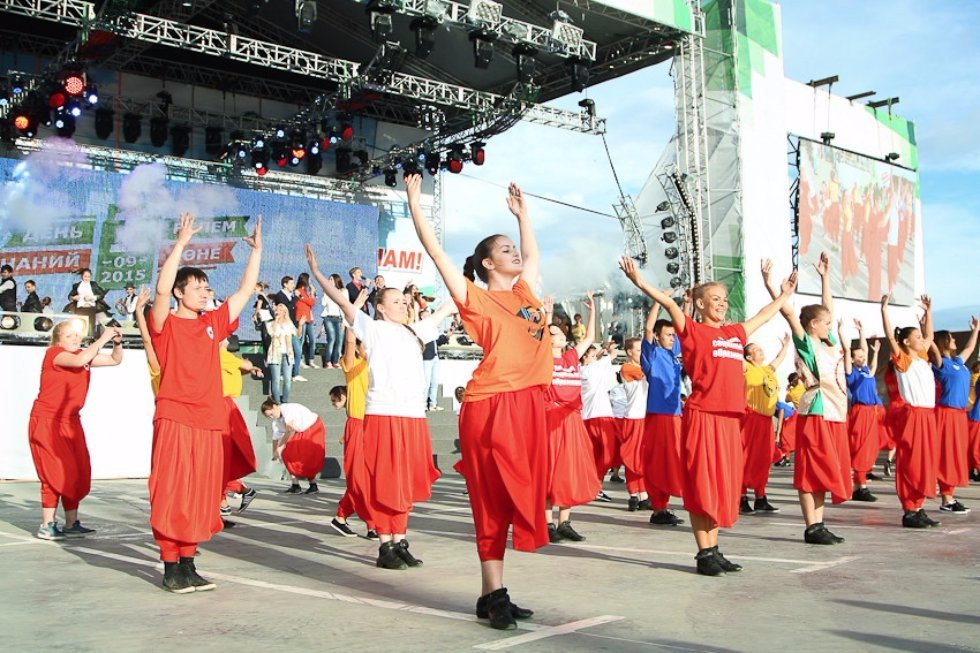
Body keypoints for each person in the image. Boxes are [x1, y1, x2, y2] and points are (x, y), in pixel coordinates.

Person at [407, 174, 549, 629]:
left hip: (529, 403)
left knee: (517, 499)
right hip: (493, 405)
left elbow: (533, 256)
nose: (514, 253)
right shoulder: (476, 299)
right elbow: (436, 254)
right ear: (488, 264)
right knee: (492, 500)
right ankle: (496, 593)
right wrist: (415, 205)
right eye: (504, 249)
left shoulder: (526, 293)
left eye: (513, 248)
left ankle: (491, 594)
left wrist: (523, 216)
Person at [621, 255, 796, 575]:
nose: (721, 304)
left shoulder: (734, 333)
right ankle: (704, 553)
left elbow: (763, 316)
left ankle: (714, 548)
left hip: (731, 420)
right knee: (702, 486)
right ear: (699, 304)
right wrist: (642, 284)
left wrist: (783, 294)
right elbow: (670, 306)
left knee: (722, 487)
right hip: (704, 417)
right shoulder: (693, 332)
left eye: (724, 300)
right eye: (714, 299)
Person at [307, 243, 453, 572]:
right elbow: (343, 302)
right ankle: (385, 544)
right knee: (387, 481)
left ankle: (401, 539)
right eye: (396, 301)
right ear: (382, 308)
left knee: (406, 481)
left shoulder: (418, 330)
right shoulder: (371, 329)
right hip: (383, 413)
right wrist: (318, 274)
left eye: (405, 300)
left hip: (413, 416)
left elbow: (450, 306)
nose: (403, 304)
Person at [146, 212, 262, 594]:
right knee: (173, 489)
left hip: (210, 420)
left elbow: (244, 293)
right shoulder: (165, 323)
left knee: (201, 493)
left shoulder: (212, 324)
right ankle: (170, 564)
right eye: (196, 286)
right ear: (181, 292)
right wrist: (180, 244)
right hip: (176, 415)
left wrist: (257, 253)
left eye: (207, 286)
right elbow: (161, 292)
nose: (204, 291)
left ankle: (189, 562)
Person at [763, 253, 851, 545]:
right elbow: (789, 314)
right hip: (816, 412)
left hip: (835, 413)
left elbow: (830, 309)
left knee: (826, 471)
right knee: (812, 469)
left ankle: (819, 524)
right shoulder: (807, 343)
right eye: (825, 322)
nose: (830, 325)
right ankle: (811, 526)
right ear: (813, 325)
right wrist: (772, 287)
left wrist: (826, 277)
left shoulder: (830, 344)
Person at [29, 320, 122, 540]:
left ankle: (72, 523)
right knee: (55, 472)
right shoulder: (55, 354)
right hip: (48, 420)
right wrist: (103, 338)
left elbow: (114, 360)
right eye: (69, 335)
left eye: (76, 335)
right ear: (58, 338)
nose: (75, 338)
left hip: (71, 421)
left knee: (79, 470)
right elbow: (79, 359)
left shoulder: (84, 355)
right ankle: (47, 524)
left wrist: (117, 343)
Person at [543, 292, 601, 542]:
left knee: (569, 471)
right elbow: (537, 337)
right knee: (549, 472)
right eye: (553, 333)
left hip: (572, 420)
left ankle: (564, 522)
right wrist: (546, 316)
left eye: (560, 331)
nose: (559, 334)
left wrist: (592, 310)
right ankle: (546, 524)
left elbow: (589, 337)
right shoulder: (541, 358)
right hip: (550, 421)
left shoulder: (570, 357)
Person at [881, 293, 942, 528]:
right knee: (911, 461)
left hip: (928, 415)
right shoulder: (903, 360)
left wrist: (928, 312)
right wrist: (884, 311)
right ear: (906, 342)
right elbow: (890, 336)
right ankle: (909, 509)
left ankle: (919, 506)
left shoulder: (923, 358)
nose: (921, 338)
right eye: (916, 336)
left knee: (925, 460)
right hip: (913, 415)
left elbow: (930, 336)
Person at [329, 290, 377, 538]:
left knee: (372, 477)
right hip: (357, 425)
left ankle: (342, 516)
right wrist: (353, 311)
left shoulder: (377, 365)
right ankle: (371, 524)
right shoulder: (353, 366)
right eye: (363, 341)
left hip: (375, 425)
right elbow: (349, 342)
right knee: (361, 477)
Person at [639, 297, 686, 526]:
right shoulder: (651, 354)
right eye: (668, 335)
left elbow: (683, 327)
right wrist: (659, 301)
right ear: (658, 336)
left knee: (673, 461)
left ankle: (663, 507)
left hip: (676, 414)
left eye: (672, 335)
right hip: (658, 415)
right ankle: (658, 508)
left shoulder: (674, 353)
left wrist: (685, 305)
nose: (672, 338)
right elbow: (648, 327)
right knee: (659, 462)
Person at [929, 319, 979, 514]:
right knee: (947, 454)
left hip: (959, 415)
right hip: (946, 414)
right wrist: (927, 318)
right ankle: (946, 498)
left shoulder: (958, 363)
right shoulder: (942, 364)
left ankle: (949, 496)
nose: (954, 339)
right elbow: (931, 344)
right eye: (950, 338)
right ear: (944, 342)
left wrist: (976, 330)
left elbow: (969, 347)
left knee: (957, 454)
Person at [739, 334, 791, 515]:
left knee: (763, 460)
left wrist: (785, 345)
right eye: (756, 350)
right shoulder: (746, 368)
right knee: (747, 458)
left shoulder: (767, 371)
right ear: (748, 357)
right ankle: (741, 497)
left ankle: (761, 497)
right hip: (750, 418)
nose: (761, 351)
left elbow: (779, 359)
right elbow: (735, 356)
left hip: (766, 421)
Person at [219, 335, 262, 515]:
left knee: (220, 455)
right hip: (221, 406)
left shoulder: (221, 355)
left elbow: (242, 367)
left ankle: (222, 503)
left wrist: (249, 368)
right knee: (220, 456)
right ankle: (235, 495)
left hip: (222, 406)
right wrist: (250, 367)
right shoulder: (219, 354)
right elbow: (244, 365)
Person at [846, 320, 885, 502]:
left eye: (863, 356)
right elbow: (850, 353)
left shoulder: (866, 371)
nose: (862, 358)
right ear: (852, 359)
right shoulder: (851, 372)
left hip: (871, 411)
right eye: (859, 357)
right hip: (859, 411)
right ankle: (860, 486)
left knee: (869, 447)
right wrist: (845, 343)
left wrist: (862, 332)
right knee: (860, 447)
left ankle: (859, 485)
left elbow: (868, 355)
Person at [579, 341, 618, 502]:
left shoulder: (585, 369)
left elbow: (600, 361)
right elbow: (604, 362)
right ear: (584, 357)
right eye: (592, 356)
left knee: (596, 456)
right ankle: (595, 486)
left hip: (591, 417)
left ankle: (593, 486)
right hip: (598, 417)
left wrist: (602, 352)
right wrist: (608, 353)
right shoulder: (587, 371)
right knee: (607, 455)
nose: (595, 358)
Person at [263, 398, 326, 494]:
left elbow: (289, 430)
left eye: (271, 414)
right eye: (269, 416)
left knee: (307, 457)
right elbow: (275, 437)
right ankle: (295, 484)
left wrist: (280, 448)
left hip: (312, 428)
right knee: (287, 454)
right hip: (300, 431)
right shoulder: (276, 421)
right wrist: (275, 453)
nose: (272, 417)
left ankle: (313, 484)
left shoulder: (287, 409)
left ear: (275, 407)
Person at [618, 336, 650, 512]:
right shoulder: (627, 367)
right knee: (632, 458)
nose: (642, 353)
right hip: (633, 418)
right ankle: (633, 493)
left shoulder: (640, 367)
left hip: (644, 417)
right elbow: (647, 374)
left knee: (643, 459)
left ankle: (643, 494)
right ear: (630, 352)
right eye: (639, 350)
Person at [273, 276, 306, 383]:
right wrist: (296, 298)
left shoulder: (291, 296)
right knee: (284, 350)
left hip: (292, 325)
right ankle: (282, 373)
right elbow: (288, 307)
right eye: (291, 283)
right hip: (283, 327)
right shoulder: (280, 296)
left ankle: (295, 373)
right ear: (285, 284)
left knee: (298, 350)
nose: (293, 285)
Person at [266, 304, 296, 403]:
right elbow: (272, 333)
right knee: (276, 380)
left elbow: (297, 334)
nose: (278, 311)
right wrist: (276, 320)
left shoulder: (289, 324)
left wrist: (300, 325)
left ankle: (285, 400)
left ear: (284, 312)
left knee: (287, 380)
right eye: (277, 309)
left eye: (280, 310)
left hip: (287, 354)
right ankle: (277, 402)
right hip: (275, 354)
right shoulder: (270, 323)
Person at [68, 268, 108, 336]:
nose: (87, 278)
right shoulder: (77, 285)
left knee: (90, 326)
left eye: (88, 277)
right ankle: (80, 340)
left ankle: (89, 341)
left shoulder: (93, 285)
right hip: (80, 308)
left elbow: (102, 295)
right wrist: (74, 298)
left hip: (90, 308)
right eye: (85, 276)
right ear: (82, 276)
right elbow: (70, 296)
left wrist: (93, 298)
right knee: (79, 326)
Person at [775, 372, 804, 466]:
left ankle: (784, 457)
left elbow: (787, 399)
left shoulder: (792, 393)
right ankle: (786, 458)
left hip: (798, 415)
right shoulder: (804, 387)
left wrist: (788, 389)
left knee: (785, 437)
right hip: (803, 413)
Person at [320, 274, 345, 369]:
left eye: (331, 279)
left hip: (338, 318)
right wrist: (325, 292)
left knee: (339, 340)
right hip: (328, 318)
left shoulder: (341, 292)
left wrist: (343, 321)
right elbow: (323, 303)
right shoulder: (327, 292)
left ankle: (335, 361)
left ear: (336, 280)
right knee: (331, 339)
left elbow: (343, 306)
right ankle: (327, 361)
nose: (330, 280)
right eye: (329, 278)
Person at [295, 272, 319, 370]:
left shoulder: (305, 292)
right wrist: (309, 296)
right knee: (301, 340)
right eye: (309, 280)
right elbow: (310, 302)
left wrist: (311, 294)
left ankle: (311, 360)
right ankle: (299, 360)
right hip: (301, 317)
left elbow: (312, 302)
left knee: (312, 339)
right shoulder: (298, 291)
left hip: (309, 318)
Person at [252, 281, 274, 356]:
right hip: (268, 318)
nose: (254, 290)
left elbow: (259, 306)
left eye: (255, 289)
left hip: (265, 318)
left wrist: (255, 315)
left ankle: (267, 354)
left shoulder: (260, 296)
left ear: (259, 288)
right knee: (268, 335)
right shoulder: (264, 295)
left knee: (265, 336)